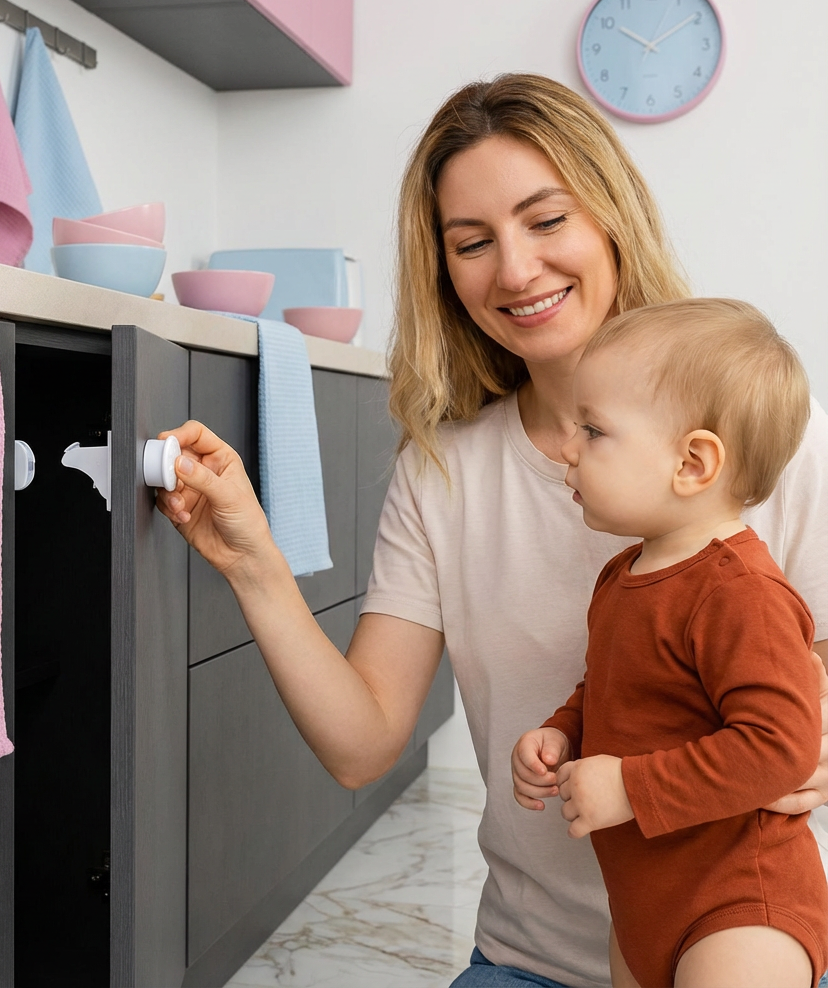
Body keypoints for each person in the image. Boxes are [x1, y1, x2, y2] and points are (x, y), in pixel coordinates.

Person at [154, 74, 828, 987]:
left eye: (547, 222)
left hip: (737, 938)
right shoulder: (444, 472)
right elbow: (362, 745)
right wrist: (252, 560)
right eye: (472, 243)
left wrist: (803, 747)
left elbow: (794, 703)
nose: (514, 270)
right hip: (532, 957)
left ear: (611, 219)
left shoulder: (760, 448)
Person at [512, 298, 828, 988]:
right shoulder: (623, 576)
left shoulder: (741, 592)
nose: (568, 448)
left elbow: (780, 746)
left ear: (692, 463)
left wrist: (629, 785)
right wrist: (564, 730)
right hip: (644, 905)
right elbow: (614, 688)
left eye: (593, 430)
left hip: (742, 903)